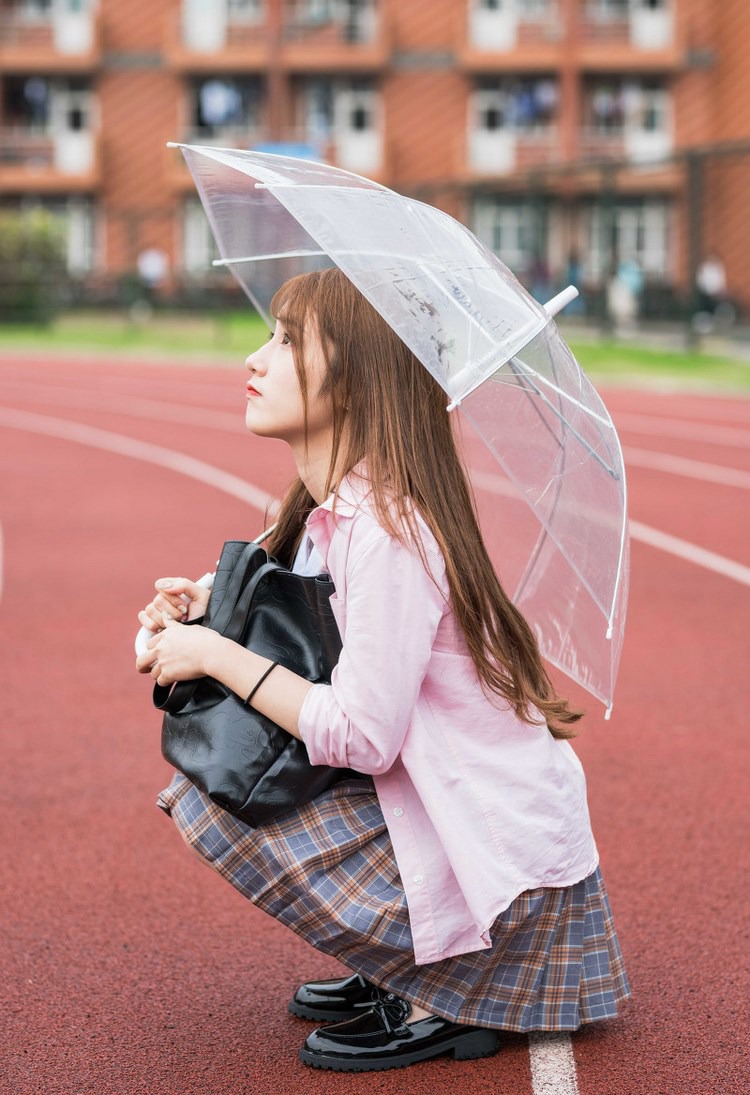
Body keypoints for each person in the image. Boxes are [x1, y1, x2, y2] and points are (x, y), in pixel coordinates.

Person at [135, 267, 630, 1072]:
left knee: (218, 785)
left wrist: (216, 656)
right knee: (217, 750)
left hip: (503, 868)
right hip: (444, 810)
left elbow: (362, 735)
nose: (254, 360)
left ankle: (449, 988)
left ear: (358, 378)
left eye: (288, 342)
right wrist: (193, 612)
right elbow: (291, 618)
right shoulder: (332, 509)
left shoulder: (390, 531)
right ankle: (403, 961)